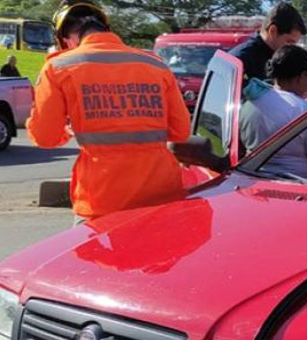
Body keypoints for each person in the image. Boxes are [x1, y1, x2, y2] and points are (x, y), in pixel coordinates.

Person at [27, 0, 191, 222]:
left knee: (89, 257)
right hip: (160, 193)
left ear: (67, 38)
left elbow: (44, 137)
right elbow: (180, 132)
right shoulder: (156, 64)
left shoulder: (58, 67)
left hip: (102, 198)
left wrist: (67, 130)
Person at [239, 45, 307, 179]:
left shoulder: (250, 103)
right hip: (295, 188)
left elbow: (240, 147)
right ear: (303, 75)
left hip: (254, 182)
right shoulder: (303, 109)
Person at [230, 2, 306, 87]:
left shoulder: (280, 58)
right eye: (289, 42)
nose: (292, 48)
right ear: (272, 31)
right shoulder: (240, 61)